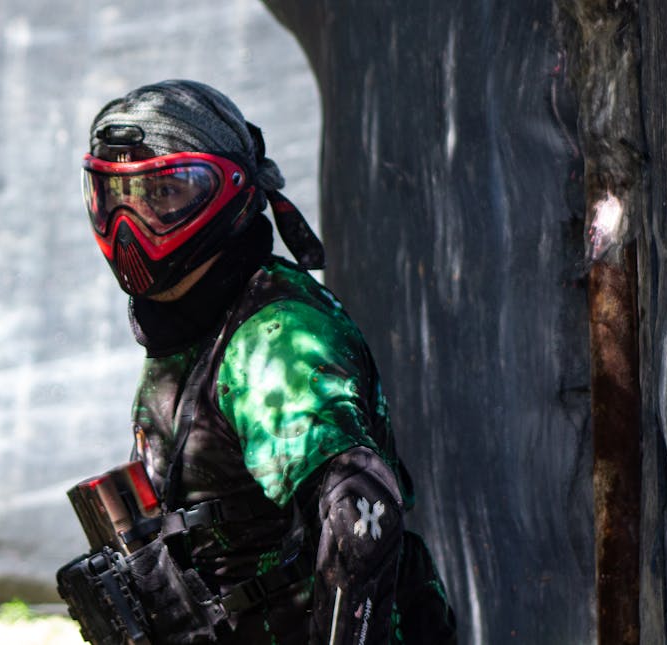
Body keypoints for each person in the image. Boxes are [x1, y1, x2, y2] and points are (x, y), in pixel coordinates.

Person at [78, 79, 455, 644]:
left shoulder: (272, 337)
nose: (132, 226)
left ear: (228, 193)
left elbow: (362, 514)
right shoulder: (197, 323)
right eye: (115, 197)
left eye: (164, 194)